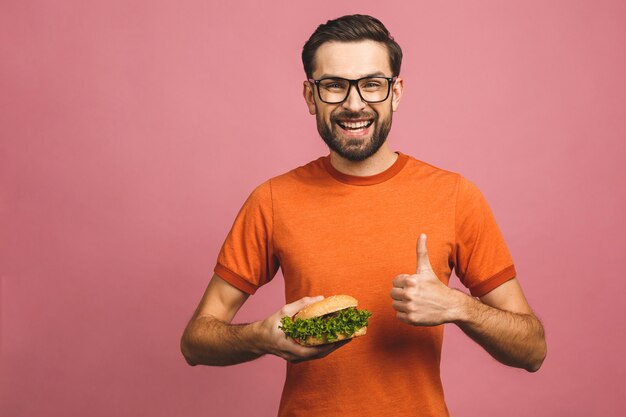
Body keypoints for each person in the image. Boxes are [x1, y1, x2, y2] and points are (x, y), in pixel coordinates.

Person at [181, 14, 547, 417]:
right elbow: (196, 341)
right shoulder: (271, 200)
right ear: (310, 96)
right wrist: (260, 337)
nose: (354, 104)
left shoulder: (455, 196)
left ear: (396, 92)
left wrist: (460, 307)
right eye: (334, 86)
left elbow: (532, 351)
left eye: (372, 85)